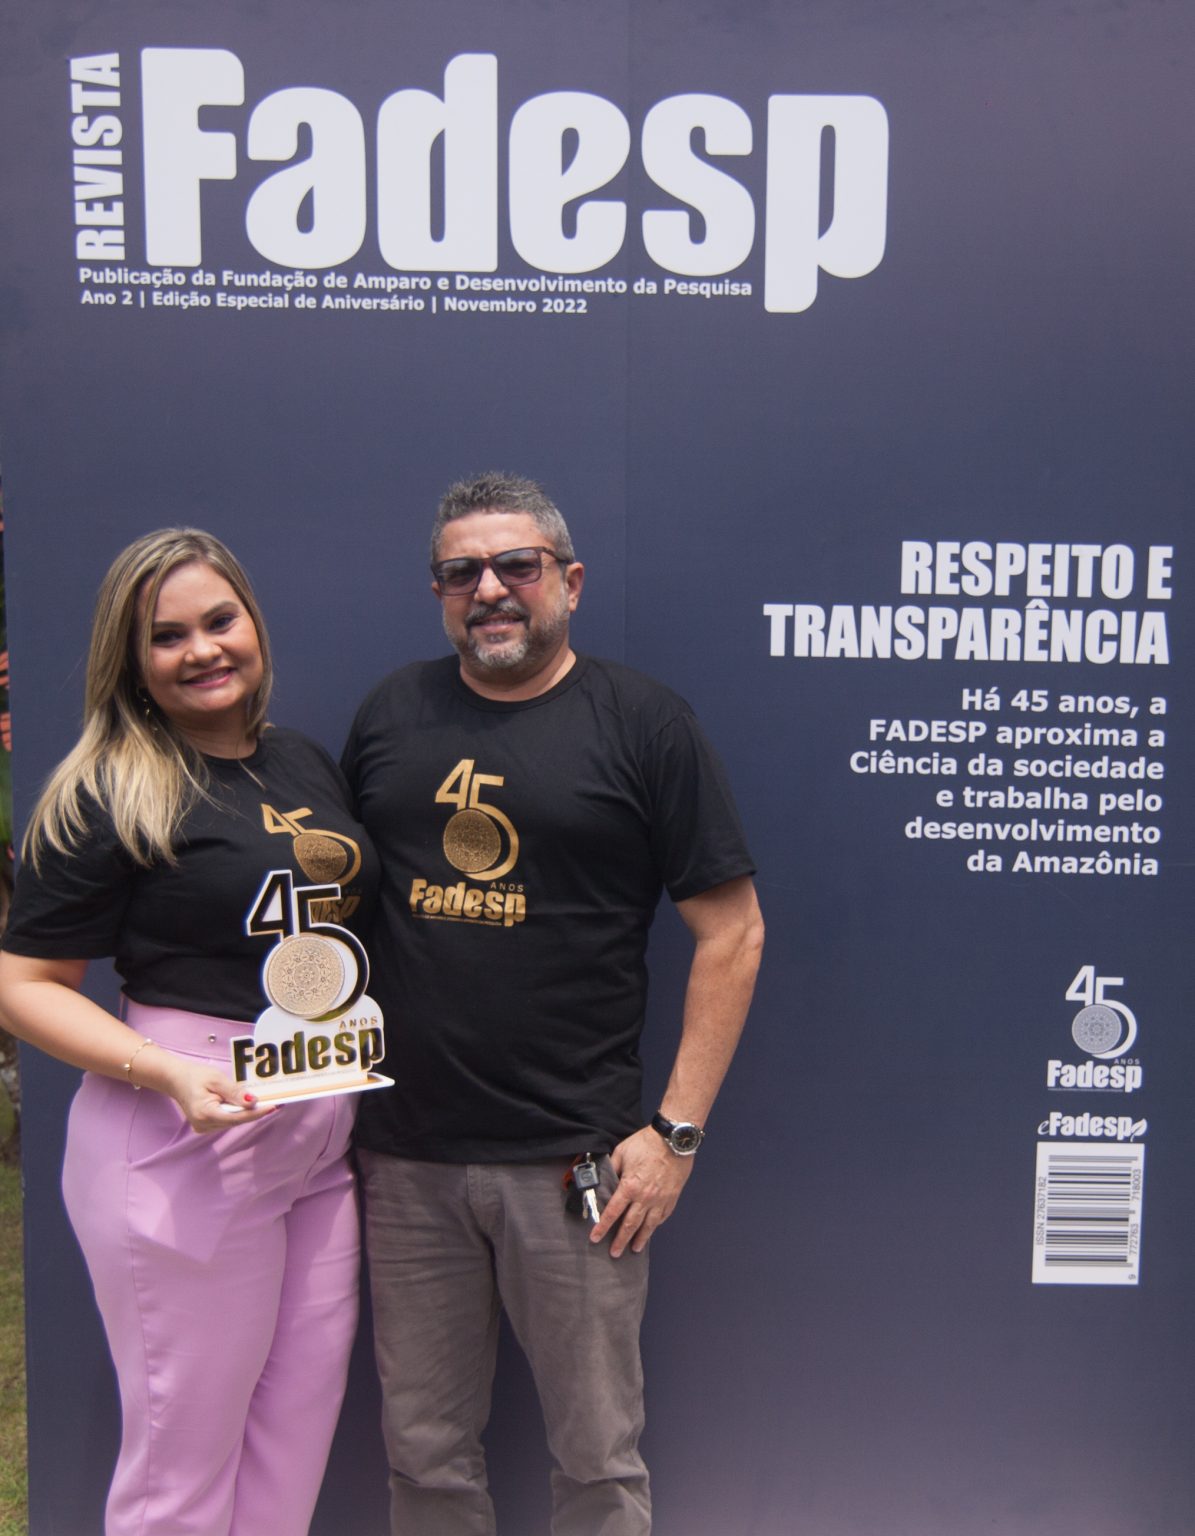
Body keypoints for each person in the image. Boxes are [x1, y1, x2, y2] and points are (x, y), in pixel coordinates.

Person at [342, 472, 764, 1535]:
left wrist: (674, 1135)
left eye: (515, 566)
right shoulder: (391, 714)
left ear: (568, 582)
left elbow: (732, 933)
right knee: (424, 1455)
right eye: (461, 572)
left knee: (597, 1459)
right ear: (438, 594)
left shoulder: (645, 725)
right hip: (406, 1159)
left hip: (579, 1164)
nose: (488, 588)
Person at [0, 529, 378, 1536]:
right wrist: (165, 1071)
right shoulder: (107, 789)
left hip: (317, 1129)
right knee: (181, 1466)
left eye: (220, 620)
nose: (203, 649)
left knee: (293, 1437)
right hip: (185, 1134)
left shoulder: (297, 759)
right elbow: (22, 987)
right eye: (167, 637)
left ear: (253, 623)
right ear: (130, 662)